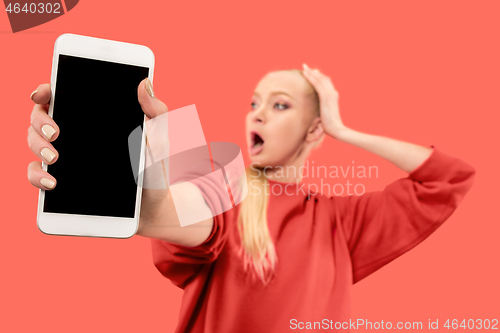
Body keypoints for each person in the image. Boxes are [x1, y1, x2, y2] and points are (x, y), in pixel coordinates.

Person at [27, 63, 476, 333]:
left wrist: (346, 131)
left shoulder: (344, 221)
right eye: (254, 102)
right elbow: (187, 213)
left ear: (315, 129)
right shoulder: (225, 182)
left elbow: (449, 179)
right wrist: (126, 187)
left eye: (280, 105)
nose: (258, 112)